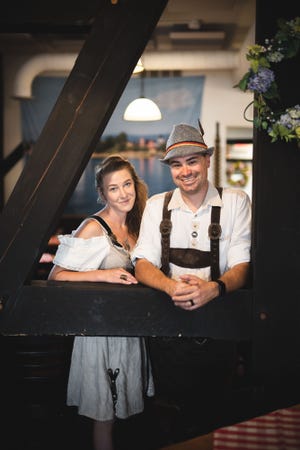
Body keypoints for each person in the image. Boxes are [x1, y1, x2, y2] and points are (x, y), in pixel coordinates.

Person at [131, 122, 251, 434]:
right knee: (169, 419)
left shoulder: (236, 202)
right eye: (176, 164)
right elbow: (142, 263)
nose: (185, 171)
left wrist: (215, 288)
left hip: (219, 333)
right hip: (167, 336)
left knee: (216, 416)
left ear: (207, 160)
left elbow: (242, 265)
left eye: (192, 161)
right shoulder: (157, 206)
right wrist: (170, 286)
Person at [48, 155, 154, 450]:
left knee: (129, 414)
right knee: (104, 416)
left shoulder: (137, 223)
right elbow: (57, 275)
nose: (124, 193)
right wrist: (104, 274)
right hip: (100, 332)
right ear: (102, 193)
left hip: (131, 330)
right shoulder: (93, 227)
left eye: (127, 184)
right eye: (114, 188)